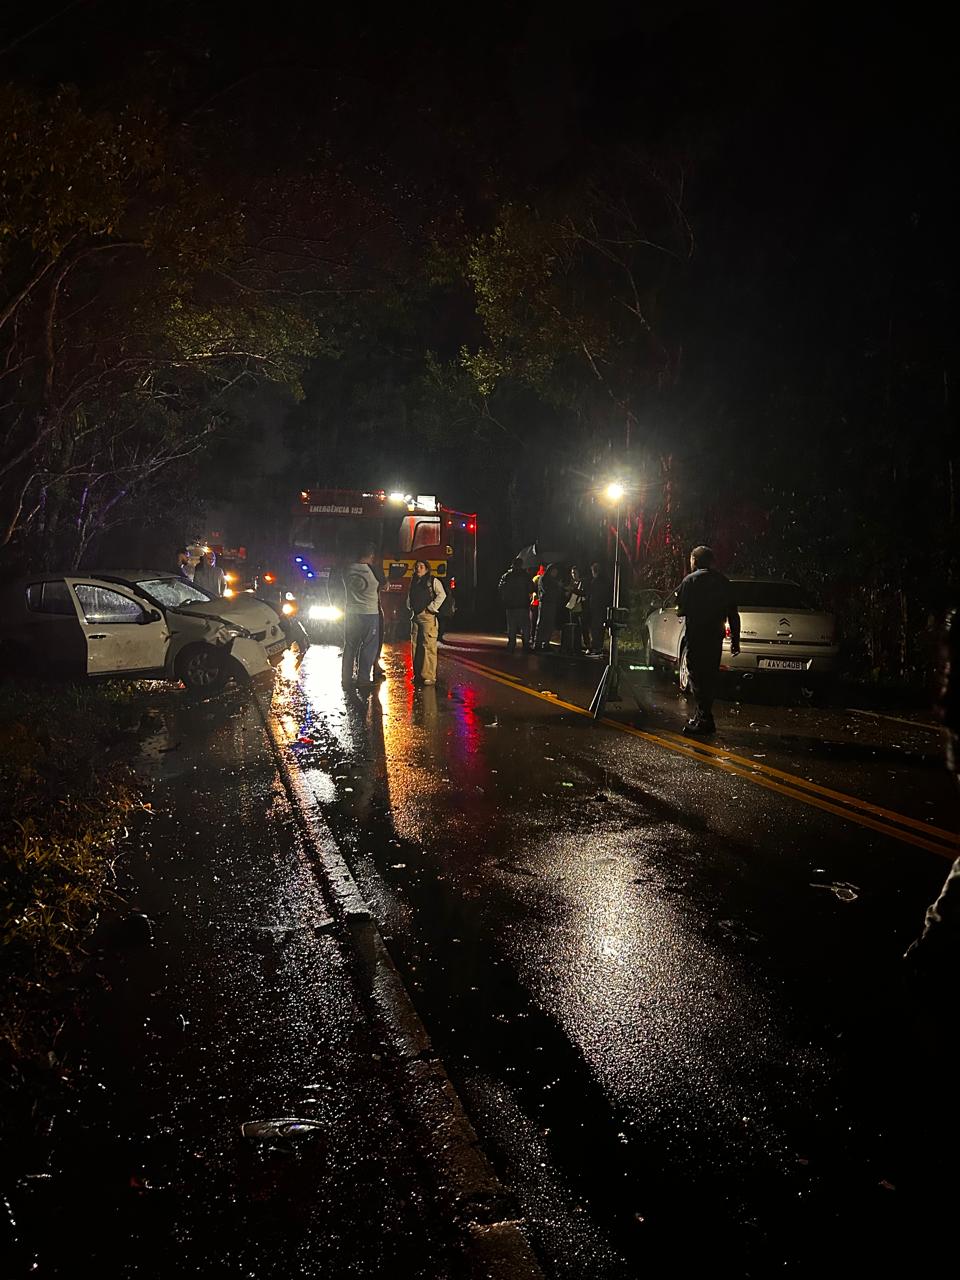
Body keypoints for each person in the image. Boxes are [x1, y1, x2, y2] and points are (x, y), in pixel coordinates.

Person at [675, 545, 740, 736]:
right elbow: (733, 614)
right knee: (710, 677)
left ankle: (704, 719)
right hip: (715, 637)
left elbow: (681, 610)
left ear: (695, 561)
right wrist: (735, 640)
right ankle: (703, 716)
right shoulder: (723, 582)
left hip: (696, 636)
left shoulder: (690, 581)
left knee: (697, 677)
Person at [341, 543, 382, 689]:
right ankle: (363, 679)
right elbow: (384, 585)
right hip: (370, 613)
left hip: (351, 612)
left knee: (350, 646)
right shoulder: (374, 570)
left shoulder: (347, 569)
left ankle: (346, 678)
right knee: (369, 646)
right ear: (371, 555)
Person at [407, 558, 446, 685]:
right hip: (415, 616)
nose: (418, 569)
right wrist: (410, 607)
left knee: (428, 646)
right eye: (417, 566)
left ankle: (429, 676)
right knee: (415, 646)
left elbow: (442, 595)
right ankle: (418, 674)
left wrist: (431, 608)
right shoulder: (414, 581)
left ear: (427, 569)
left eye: (421, 567)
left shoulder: (432, 581)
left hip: (427, 617)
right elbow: (410, 596)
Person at [498, 557, 534, 652]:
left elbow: (501, 588)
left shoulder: (507, 576)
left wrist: (506, 599)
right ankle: (526, 645)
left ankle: (511, 645)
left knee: (512, 627)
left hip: (511, 606)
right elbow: (531, 588)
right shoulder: (526, 576)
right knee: (525, 626)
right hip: (523, 605)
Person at [534, 564, 563, 651]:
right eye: (554, 571)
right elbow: (546, 590)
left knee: (549, 624)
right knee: (542, 623)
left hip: (552, 603)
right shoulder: (544, 579)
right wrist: (557, 586)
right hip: (545, 603)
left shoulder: (552, 580)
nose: (555, 573)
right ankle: (538, 643)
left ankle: (546, 642)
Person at [585, 562, 610, 655]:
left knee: (595, 628)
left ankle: (595, 646)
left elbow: (592, 595)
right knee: (600, 628)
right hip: (602, 608)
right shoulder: (605, 581)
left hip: (596, 608)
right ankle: (599, 646)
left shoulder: (595, 581)